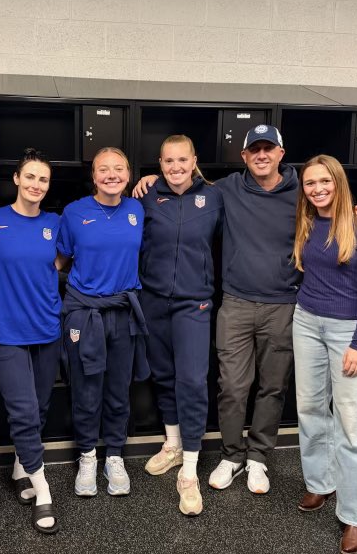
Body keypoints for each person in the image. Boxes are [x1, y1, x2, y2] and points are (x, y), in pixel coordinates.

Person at [134, 125, 357, 495]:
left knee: (273, 387)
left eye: (269, 149)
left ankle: (258, 459)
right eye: (254, 150)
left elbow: (337, 210)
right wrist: (152, 178)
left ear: (281, 153)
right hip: (235, 303)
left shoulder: (303, 193)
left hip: (284, 306)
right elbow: (186, 183)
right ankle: (232, 455)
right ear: (245, 156)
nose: (262, 155)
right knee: (232, 386)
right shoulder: (227, 189)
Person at [292, 155, 357, 554]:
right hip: (306, 321)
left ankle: (356, 515)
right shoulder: (308, 221)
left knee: (352, 423)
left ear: (338, 183)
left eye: (324, 181)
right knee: (310, 409)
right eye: (310, 183)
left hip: (347, 332)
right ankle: (320, 484)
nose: (317, 189)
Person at [0, 149, 61, 534]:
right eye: (30, 177)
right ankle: (43, 491)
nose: (36, 185)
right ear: (16, 179)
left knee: (39, 409)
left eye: (42, 179)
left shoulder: (56, 223)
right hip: (4, 330)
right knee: (23, 411)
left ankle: (20, 468)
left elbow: (68, 259)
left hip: (46, 327)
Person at [138, 135, 223, 516]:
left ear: (194, 161)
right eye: (169, 161)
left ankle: (189, 469)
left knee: (191, 379)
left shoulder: (215, 197)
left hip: (194, 301)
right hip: (153, 299)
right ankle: (173, 445)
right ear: (160, 162)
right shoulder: (146, 195)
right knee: (164, 375)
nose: (175, 167)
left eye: (182, 160)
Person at [57, 147, 148, 499]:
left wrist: (153, 178)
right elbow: (59, 261)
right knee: (86, 389)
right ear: (93, 177)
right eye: (103, 170)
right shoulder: (75, 212)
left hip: (123, 312)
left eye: (119, 169)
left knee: (118, 389)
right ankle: (87, 456)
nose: (112, 175)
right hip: (84, 313)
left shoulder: (138, 209)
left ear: (128, 174)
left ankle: (114, 455)